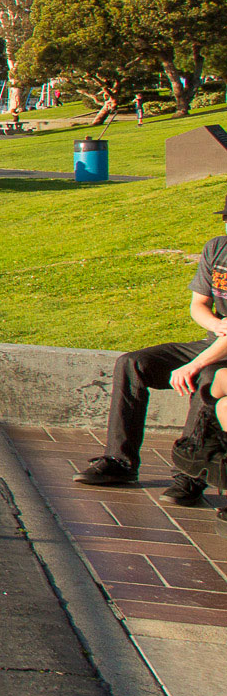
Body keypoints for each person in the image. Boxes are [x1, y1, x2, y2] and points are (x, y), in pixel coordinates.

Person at [82, 193, 227, 498]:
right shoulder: (216, 249)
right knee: (132, 364)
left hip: (221, 356)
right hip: (213, 340)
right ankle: (120, 461)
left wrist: (195, 364)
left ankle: (189, 475)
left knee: (207, 377)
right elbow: (198, 305)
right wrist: (215, 324)